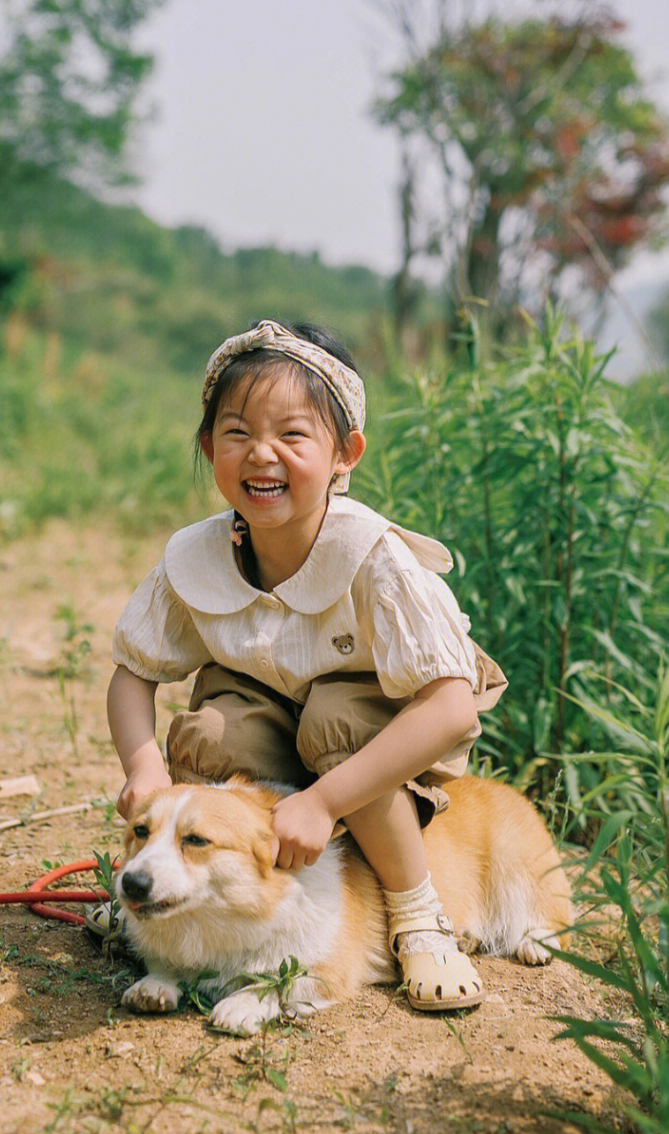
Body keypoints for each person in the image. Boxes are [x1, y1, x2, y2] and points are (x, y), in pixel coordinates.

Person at [95, 319, 506, 1011]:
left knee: (335, 725)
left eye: (292, 434)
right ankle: (182, 898)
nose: (262, 454)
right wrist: (144, 769)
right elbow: (132, 673)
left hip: (375, 735)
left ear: (345, 454)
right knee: (211, 732)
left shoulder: (374, 560)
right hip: (271, 719)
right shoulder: (197, 557)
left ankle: (415, 912)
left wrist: (322, 801)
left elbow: (450, 708)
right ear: (207, 445)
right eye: (237, 433)